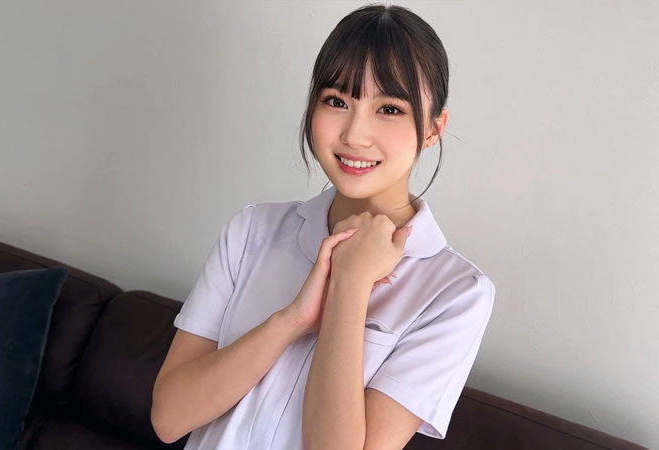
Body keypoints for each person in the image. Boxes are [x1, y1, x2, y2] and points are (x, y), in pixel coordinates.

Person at [151, 4, 495, 449]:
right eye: (337, 101)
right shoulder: (251, 231)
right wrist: (291, 320)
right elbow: (169, 418)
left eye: (389, 109)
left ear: (433, 129)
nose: (354, 134)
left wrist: (350, 284)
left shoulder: (456, 294)